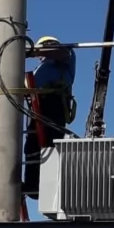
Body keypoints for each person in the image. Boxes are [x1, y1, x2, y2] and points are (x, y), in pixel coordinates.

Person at [23, 36, 76, 199]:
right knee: (32, 147)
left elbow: (59, 52)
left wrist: (29, 51)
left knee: (51, 145)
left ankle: (50, 185)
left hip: (54, 105)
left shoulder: (64, 56)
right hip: (37, 107)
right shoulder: (41, 67)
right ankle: (32, 186)